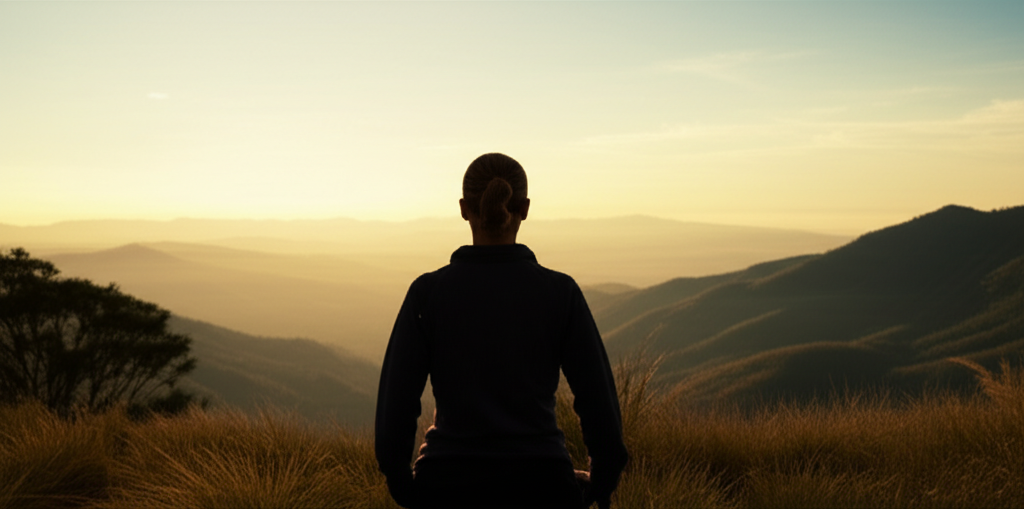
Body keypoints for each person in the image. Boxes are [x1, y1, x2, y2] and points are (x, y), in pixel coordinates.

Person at [375, 153, 628, 509]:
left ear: (464, 209)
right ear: (524, 208)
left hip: (446, 483)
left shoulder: (427, 294)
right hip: (543, 485)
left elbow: (396, 408)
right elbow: (598, 403)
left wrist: (407, 489)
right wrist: (597, 486)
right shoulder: (560, 293)